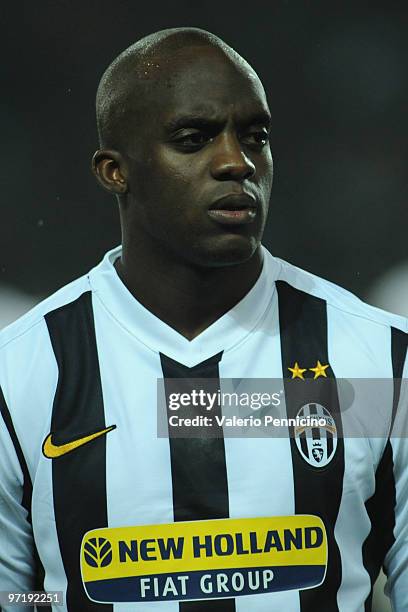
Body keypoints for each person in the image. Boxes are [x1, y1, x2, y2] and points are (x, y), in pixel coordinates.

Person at [0, 27, 407, 612]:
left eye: (255, 136)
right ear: (115, 171)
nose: (236, 163)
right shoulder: (22, 375)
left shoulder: (380, 362)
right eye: (193, 139)